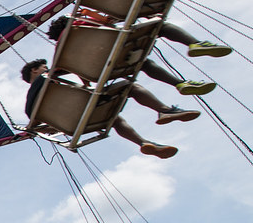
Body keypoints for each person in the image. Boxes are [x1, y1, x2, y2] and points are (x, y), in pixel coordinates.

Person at [22, 59, 196, 159]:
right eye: (44, 67)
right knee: (129, 86)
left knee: (114, 118)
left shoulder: (29, 106)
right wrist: (84, 78)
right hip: (86, 108)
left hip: (75, 124)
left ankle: (145, 143)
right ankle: (164, 110)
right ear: (35, 70)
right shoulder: (45, 78)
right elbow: (69, 65)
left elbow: (36, 123)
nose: (47, 68)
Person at [46, 15, 229, 96]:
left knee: (143, 64)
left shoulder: (61, 52)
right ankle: (194, 44)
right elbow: (112, 20)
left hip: (110, 68)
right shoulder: (81, 22)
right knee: (160, 26)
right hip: (122, 46)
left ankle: (180, 84)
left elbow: (56, 72)